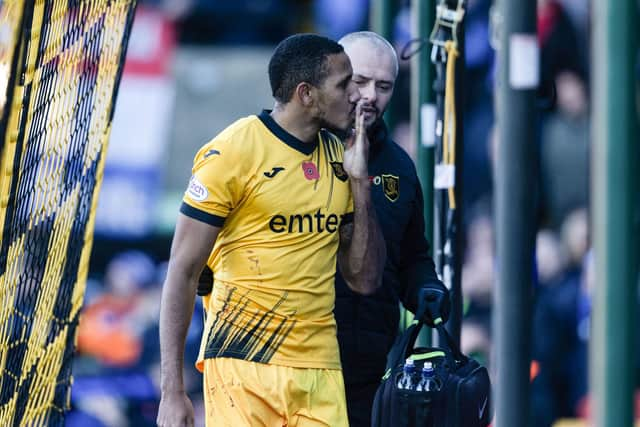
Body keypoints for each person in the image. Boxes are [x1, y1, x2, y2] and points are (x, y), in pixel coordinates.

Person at [156, 34, 386, 427]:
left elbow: (364, 280)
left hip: (320, 369)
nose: (357, 95)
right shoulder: (232, 152)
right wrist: (172, 391)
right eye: (344, 83)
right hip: (242, 364)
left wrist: (361, 183)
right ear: (306, 94)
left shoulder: (340, 158)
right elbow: (182, 270)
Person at [335, 31, 450, 427]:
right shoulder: (296, 148)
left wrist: (426, 287)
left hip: (369, 371)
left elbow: (413, 254)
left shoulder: (400, 166)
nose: (370, 95)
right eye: (359, 81)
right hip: (296, 366)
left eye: (383, 86)